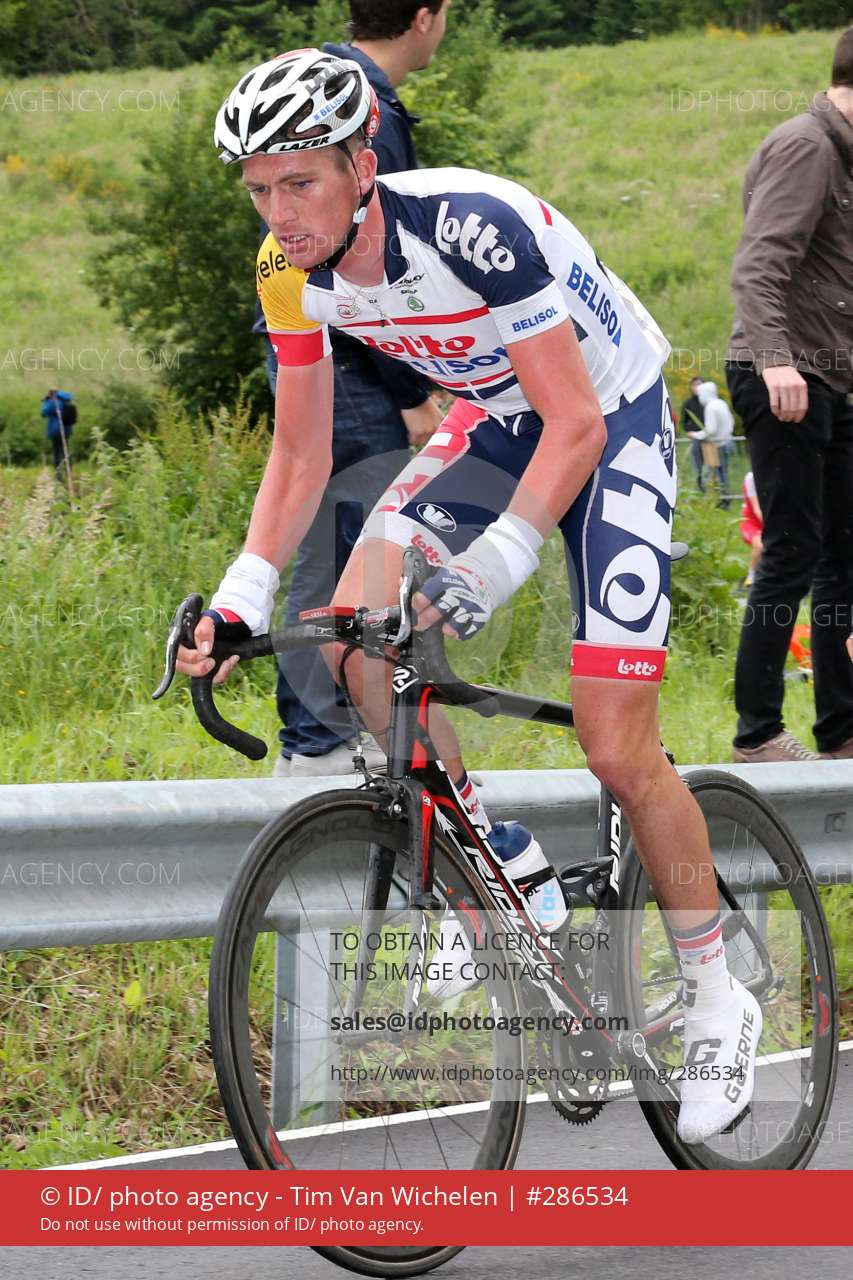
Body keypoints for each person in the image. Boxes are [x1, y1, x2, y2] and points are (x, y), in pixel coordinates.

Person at [178, 48, 763, 1144]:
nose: (278, 213)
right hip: (495, 422)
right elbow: (300, 455)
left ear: (361, 166)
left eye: (298, 182)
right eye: (257, 189)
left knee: (615, 744)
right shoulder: (285, 270)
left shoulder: (468, 227)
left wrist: (495, 561)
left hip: (609, 415)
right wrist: (240, 598)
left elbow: (574, 424)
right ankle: (500, 863)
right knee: (352, 637)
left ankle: (716, 992)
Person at [260, 2, 452, 779]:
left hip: (322, 346)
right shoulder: (362, 105)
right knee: (345, 552)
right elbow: (384, 274)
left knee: (341, 548)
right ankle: (320, 743)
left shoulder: (327, 78)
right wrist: (412, 391)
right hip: (350, 357)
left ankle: (344, 734)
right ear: (425, 16)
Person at [726, 27, 853, 763]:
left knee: (843, 555)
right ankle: (758, 734)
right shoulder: (807, 146)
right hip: (783, 375)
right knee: (791, 550)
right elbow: (758, 265)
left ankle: (841, 731)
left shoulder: (845, 157)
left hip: (829, 378)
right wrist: (777, 363)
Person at [686, 380, 734, 505]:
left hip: (719, 444)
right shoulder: (721, 403)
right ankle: (724, 498)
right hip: (727, 440)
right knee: (722, 472)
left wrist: (695, 435)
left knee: (720, 473)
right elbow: (731, 422)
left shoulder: (711, 407)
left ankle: (725, 499)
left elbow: (711, 430)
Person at [678, 375, 705, 490]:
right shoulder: (688, 403)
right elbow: (684, 422)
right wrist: (691, 430)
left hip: (711, 437)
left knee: (713, 464)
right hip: (696, 438)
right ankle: (700, 488)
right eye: (694, 385)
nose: (697, 387)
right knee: (698, 464)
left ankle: (718, 490)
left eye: (699, 384)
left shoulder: (708, 401)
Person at [41, 389, 74, 480]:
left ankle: (58, 477)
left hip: (55, 430)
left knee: (57, 453)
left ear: (50, 394)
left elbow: (44, 413)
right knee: (66, 451)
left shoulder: (53, 402)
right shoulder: (65, 401)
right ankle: (69, 474)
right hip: (67, 430)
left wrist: (46, 402)